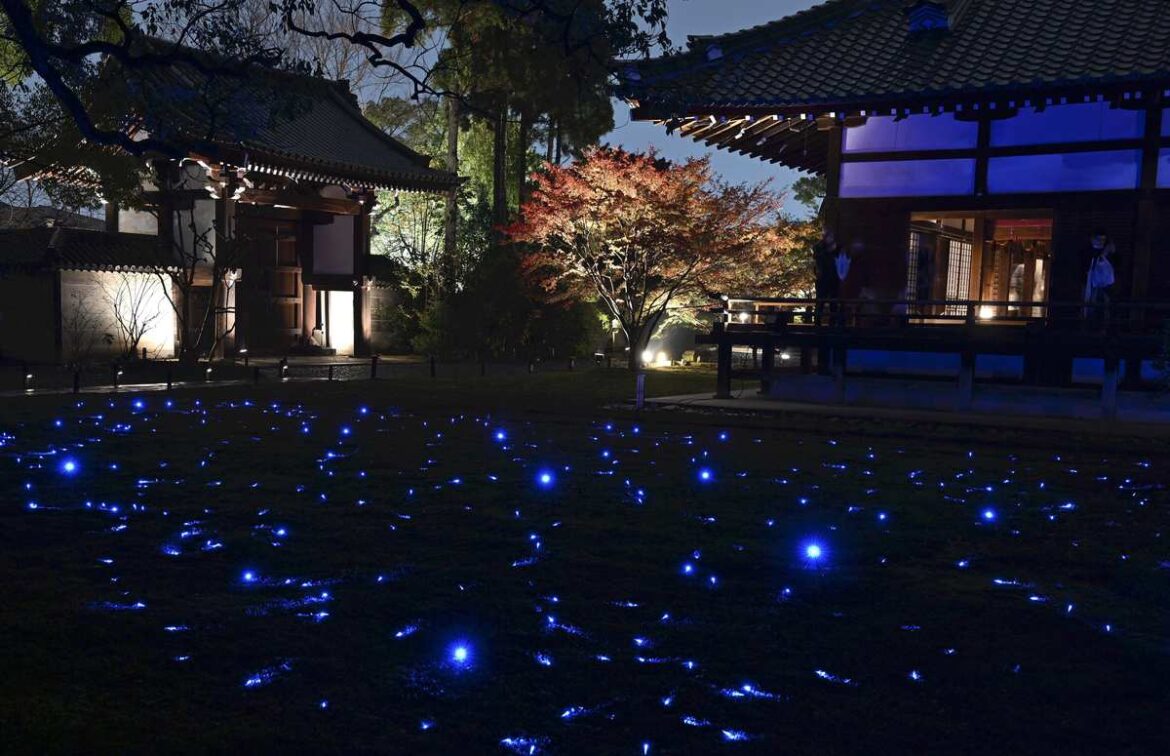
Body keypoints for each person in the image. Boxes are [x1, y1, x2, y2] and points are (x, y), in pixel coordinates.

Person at [1083, 229, 1116, 325]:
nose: (1101, 242)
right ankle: (1089, 325)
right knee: (1090, 305)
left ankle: (1102, 327)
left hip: (1104, 284)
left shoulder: (1106, 252)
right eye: (1099, 239)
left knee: (1104, 306)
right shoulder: (1090, 251)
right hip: (1093, 283)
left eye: (1103, 240)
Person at [812, 229, 840, 325]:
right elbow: (817, 256)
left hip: (834, 278)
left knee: (834, 303)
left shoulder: (837, 247)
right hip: (822, 278)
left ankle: (832, 324)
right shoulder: (818, 247)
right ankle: (817, 323)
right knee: (820, 302)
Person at [915, 241, 935, 316]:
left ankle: (922, 311)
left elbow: (931, 267)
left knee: (925, 296)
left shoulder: (931, 256)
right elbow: (920, 267)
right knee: (921, 295)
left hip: (926, 279)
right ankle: (919, 311)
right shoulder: (921, 254)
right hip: (922, 279)